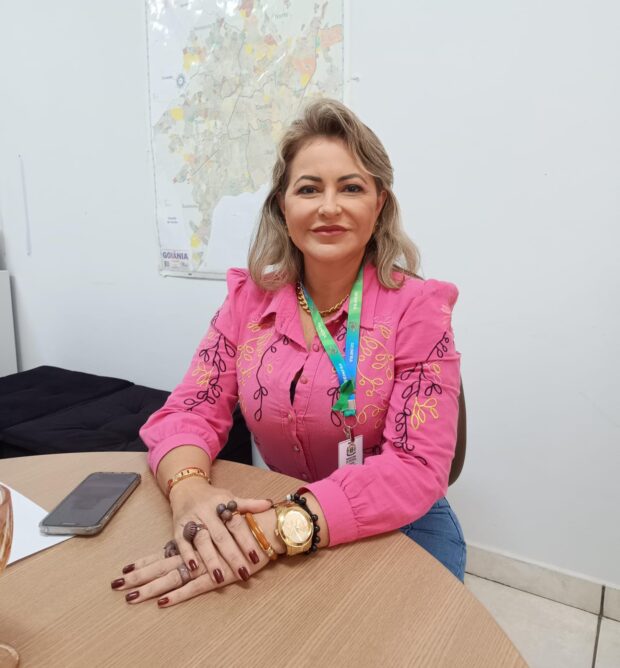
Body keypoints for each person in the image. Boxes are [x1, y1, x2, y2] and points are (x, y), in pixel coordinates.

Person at [111, 99, 466, 607]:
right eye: (309, 189)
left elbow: (416, 466)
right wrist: (189, 492)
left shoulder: (418, 309)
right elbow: (191, 409)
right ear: (283, 206)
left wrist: (277, 529)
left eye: (351, 188)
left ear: (379, 205)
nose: (329, 207)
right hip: (277, 515)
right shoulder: (248, 301)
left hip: (398, 527)